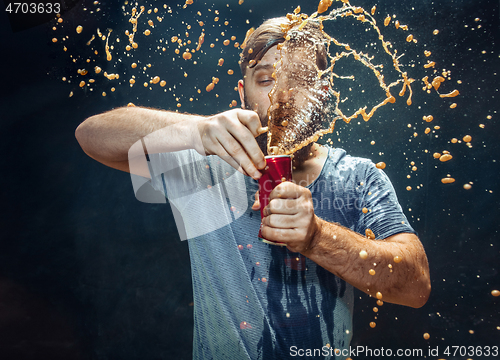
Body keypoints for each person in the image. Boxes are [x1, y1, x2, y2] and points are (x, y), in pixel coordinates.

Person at [75, 16, 430, 360]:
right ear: (242, 93)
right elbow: (92, 135)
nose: (283, 96)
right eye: (266, 80)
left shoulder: (357, 176)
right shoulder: (204, 168)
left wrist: (316, 237)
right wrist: (197, 131)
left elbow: (416, 286)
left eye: (302, 79)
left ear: (323, 92)